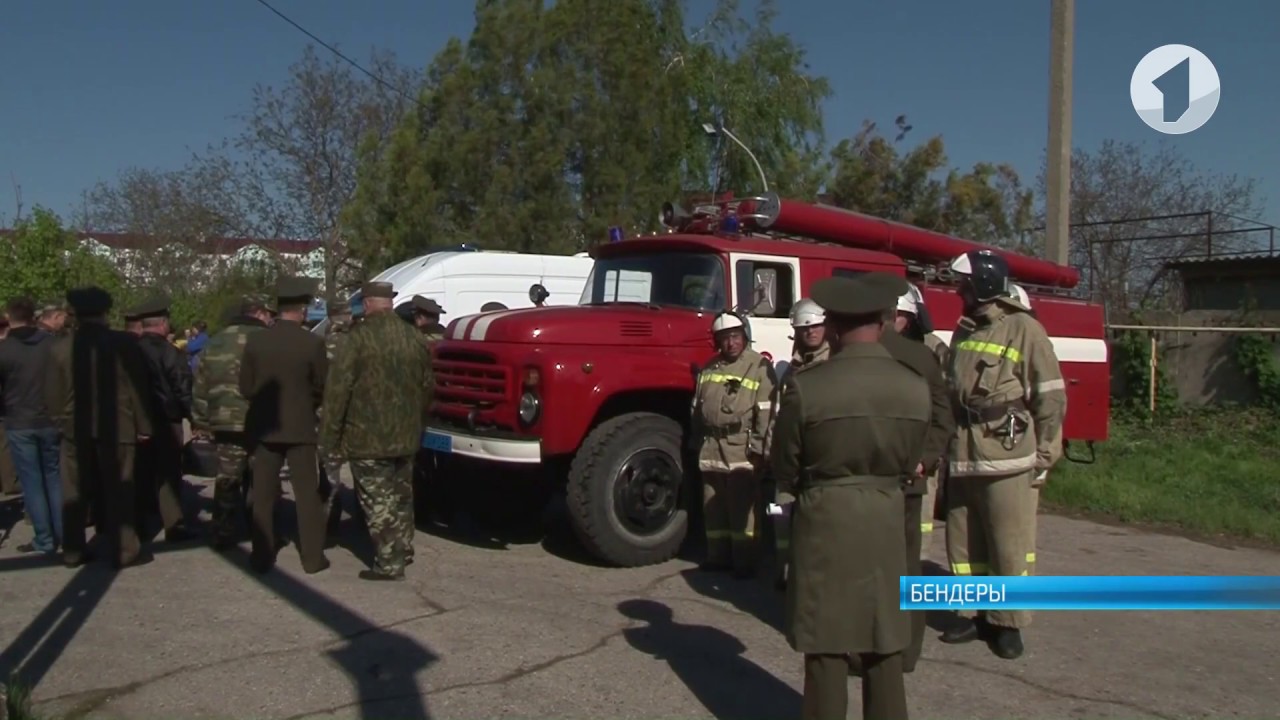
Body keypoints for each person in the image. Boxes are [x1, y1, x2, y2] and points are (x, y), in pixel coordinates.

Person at [770, 272, 929, 720]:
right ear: (883, 322)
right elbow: (911, 460)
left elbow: (785, 462)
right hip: (886, 516)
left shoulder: (808, 386)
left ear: (834, 326)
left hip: (825, 516)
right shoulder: (913, 386)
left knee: (826, 643)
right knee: (884, 640)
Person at [941, 250, 1067, 660]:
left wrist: (1045, 452)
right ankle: (973, 615)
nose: (958, 291)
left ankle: (1007, 623)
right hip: (964, 452)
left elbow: (1050, 396)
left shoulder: (1023, 329)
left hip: (1006, 455)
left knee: (1008, 544)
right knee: (965, 543)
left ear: (984, 284)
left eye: (964, 284)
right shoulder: (965, 329)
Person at [321, 281, 433, 581]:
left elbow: (337, 392)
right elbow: (427, 386)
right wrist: (418, 422)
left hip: (366, 435)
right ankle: (403, 548)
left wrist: (329, 438)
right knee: (401, 495)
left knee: (377, 498)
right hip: (406, 434)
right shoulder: (415, 337)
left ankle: (389, 561)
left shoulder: (356, 339)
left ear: (368, 302)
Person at [873, 276, 956, 675]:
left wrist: (925, 459)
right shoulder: (869, 353)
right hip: (883, 479)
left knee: (896, 568)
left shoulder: (921, 358)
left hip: (896, 480)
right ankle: (886, 648)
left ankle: (895, 650)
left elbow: (942, 417)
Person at [44, 287, 155, 569]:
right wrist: (143, 424)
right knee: (120, 489)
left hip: (75, 428)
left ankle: (73, 549)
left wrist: (60, 422)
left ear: (75, 313)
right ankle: (124, 549)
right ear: (105, 312)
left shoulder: (59, 347)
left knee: (74, 491)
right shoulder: (124, 343)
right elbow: (137, 387)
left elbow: (53, 395)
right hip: (118, 425)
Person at [240, 276, 330, 575]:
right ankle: (313, 558)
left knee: (263, 495)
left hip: (265, 427)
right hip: (301, 426)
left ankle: (261, 555)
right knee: (307, 495)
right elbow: (321, 385)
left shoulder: (256, 341)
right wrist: (306, 403)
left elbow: (246, 387)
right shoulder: (312, 343)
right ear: (301, 310)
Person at [690, 311, 775, 578]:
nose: (731, 343)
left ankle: (745, 562)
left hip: (741, 448)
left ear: (745, 337)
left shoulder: (758, 367)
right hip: (711, 446)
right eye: (725, 338)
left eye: (736, 337)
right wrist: (695, 440)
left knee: (742, 509)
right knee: (713, 506)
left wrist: (760, 450)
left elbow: (766, 413)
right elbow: (697, 406)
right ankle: (717, 557)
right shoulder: (710, 367)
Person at [192, 295, 275, 550]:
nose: (271, 319)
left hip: (225, 422)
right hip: (261, 422)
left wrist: (201, 421)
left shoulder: (215, 341)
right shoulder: (267, 340)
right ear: (259, 313)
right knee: (262, 480)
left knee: (227, 479)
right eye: (269, 314)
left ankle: (222, 532)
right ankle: (261, 532)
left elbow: (200, 386)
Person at [765, 297, 830, 591]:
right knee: (780, 516)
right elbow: (778, 414)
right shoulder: (791, 369)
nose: (810, 332)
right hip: (786, 460)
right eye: (804, 328)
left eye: (815, 326)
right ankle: (783, 571)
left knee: (814, 527)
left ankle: (809, 582)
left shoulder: (833, 364)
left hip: (816, 460)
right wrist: (770, 453)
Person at [128, 294, 196, 542]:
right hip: (167, 420)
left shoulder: (130, 351)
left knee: (140, 472)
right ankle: (173, 523)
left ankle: (139, 525)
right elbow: (183, 387)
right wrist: (194, 417)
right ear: (163, 323)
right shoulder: (170, 352)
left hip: (136, 421)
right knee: (169, 473)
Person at [0, 297, 64, 554]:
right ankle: (64, 534)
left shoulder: (5, 350)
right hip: (50, 418)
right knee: (54, 478)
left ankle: (45, 538)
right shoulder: (52, 345)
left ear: (9, 317)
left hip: (18, 420)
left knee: (32, 482)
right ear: (34, 316)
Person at [1008, 282, 1048, 576]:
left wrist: (1043, 456)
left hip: (1027, 451)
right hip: (1011, 453)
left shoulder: (1033, 342)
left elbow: (1048, 405)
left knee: (1020, 533)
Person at [319, 290, 354, 537]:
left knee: (329, 473)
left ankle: (328, 523)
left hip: (325, 416)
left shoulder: (318, 343)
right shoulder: (357, 343)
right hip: (354, 416)